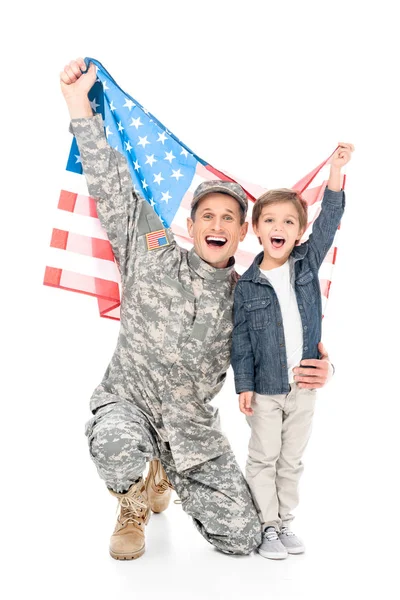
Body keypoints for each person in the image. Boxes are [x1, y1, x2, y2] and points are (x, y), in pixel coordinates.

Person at [59, 57, 333, 561]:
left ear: (242, 233)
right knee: (118, 449)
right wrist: (79, 104)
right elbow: (113, 184)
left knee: (243, 539)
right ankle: (133, 496)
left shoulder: (251, 295)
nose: (217, 222)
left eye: (229, 217)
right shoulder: (149, 249)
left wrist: (323, 364)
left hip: (191, 427)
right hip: (130, 402)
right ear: (192, 222)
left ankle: (166, 468)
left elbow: (292, 331)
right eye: (207, 213)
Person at [231, 143, 353, 560]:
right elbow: (241, 341)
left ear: (299, 231)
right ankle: (265, 526)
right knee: (264, 456)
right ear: (256, 229)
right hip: (266, 389)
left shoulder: (306, 263)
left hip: (303, 386)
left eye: (288, 221)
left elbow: (330, 220)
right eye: (270, 220)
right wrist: (243, 385)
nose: (279, 226)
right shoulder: (246, 285)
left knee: (292, 460)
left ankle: (284, 522)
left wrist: (336, 170)